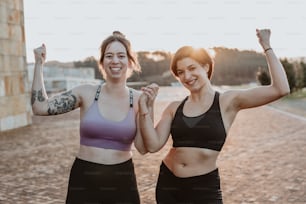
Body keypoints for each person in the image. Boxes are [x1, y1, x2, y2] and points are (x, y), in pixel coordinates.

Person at [139, 29, 290, 203]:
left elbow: (281, 89)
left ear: (206, 66)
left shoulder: (228, 101)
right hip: (168, 184)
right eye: (180, 72)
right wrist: (146, 107)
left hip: (203, 188)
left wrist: (266, 46)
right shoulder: (174, 107)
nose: (187, 76)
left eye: (191, 68)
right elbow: (152, 145)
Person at [31, 31, 151, 204]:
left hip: (122, 180)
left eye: (121, 55)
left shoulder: (140, 99)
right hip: (84, 178)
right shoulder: (85, 93)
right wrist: (39, 64)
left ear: (130, 62)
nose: (115, 61)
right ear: (102, 62)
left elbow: (142, 148)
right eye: (109, 56)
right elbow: (40, 107)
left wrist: (147, 110)